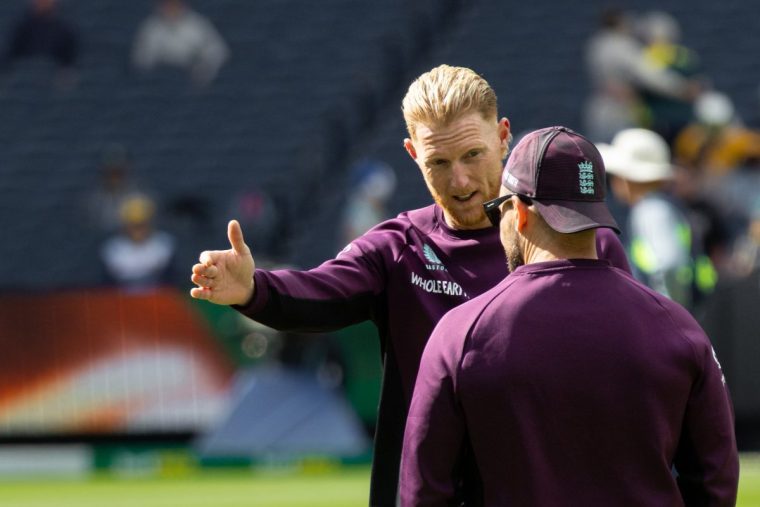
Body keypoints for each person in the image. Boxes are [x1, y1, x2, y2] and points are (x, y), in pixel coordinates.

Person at [189, 65, 631, 505]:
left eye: (472, 155)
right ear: (413, 154)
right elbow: (320, 292)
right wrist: (253, 289)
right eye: (439, 162)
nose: (458, 180)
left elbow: (630, 369)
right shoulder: (399, 246)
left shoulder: (582, 240)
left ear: (502, 136)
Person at [400, 126, 739, 506]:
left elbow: (422, 493)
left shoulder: (461, 334)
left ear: (522, 213)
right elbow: (715, 481)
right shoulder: (680, 329)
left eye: (501, 211)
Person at [599, 127, 715, 311]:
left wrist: (670, 315)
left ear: (627, 178)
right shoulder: (662, 205)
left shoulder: (652, 210)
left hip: (667, 324)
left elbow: (671, 265)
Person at [131, 0, 229, 87]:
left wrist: (203, 70)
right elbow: (140, 59)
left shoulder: (198, 25)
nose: (171, 9)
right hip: (161, 82)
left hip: (192, 80)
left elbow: (219, 52)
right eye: (167, 5)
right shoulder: (150, 28)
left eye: (175, 5)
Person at [101, 194, 177, 291]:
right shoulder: (113, 247)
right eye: (134, 225)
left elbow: (169, 280)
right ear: (126, 225)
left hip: (158, 298)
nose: (138, 230)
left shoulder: (164, 243)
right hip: (120, 299)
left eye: (142, 224)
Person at [1, 0, 79, 87]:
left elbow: (69, 61)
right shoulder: (21, 28)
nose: (43, 2)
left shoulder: (64, 30)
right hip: (25, 82)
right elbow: (11, 57)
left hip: (54, 82)